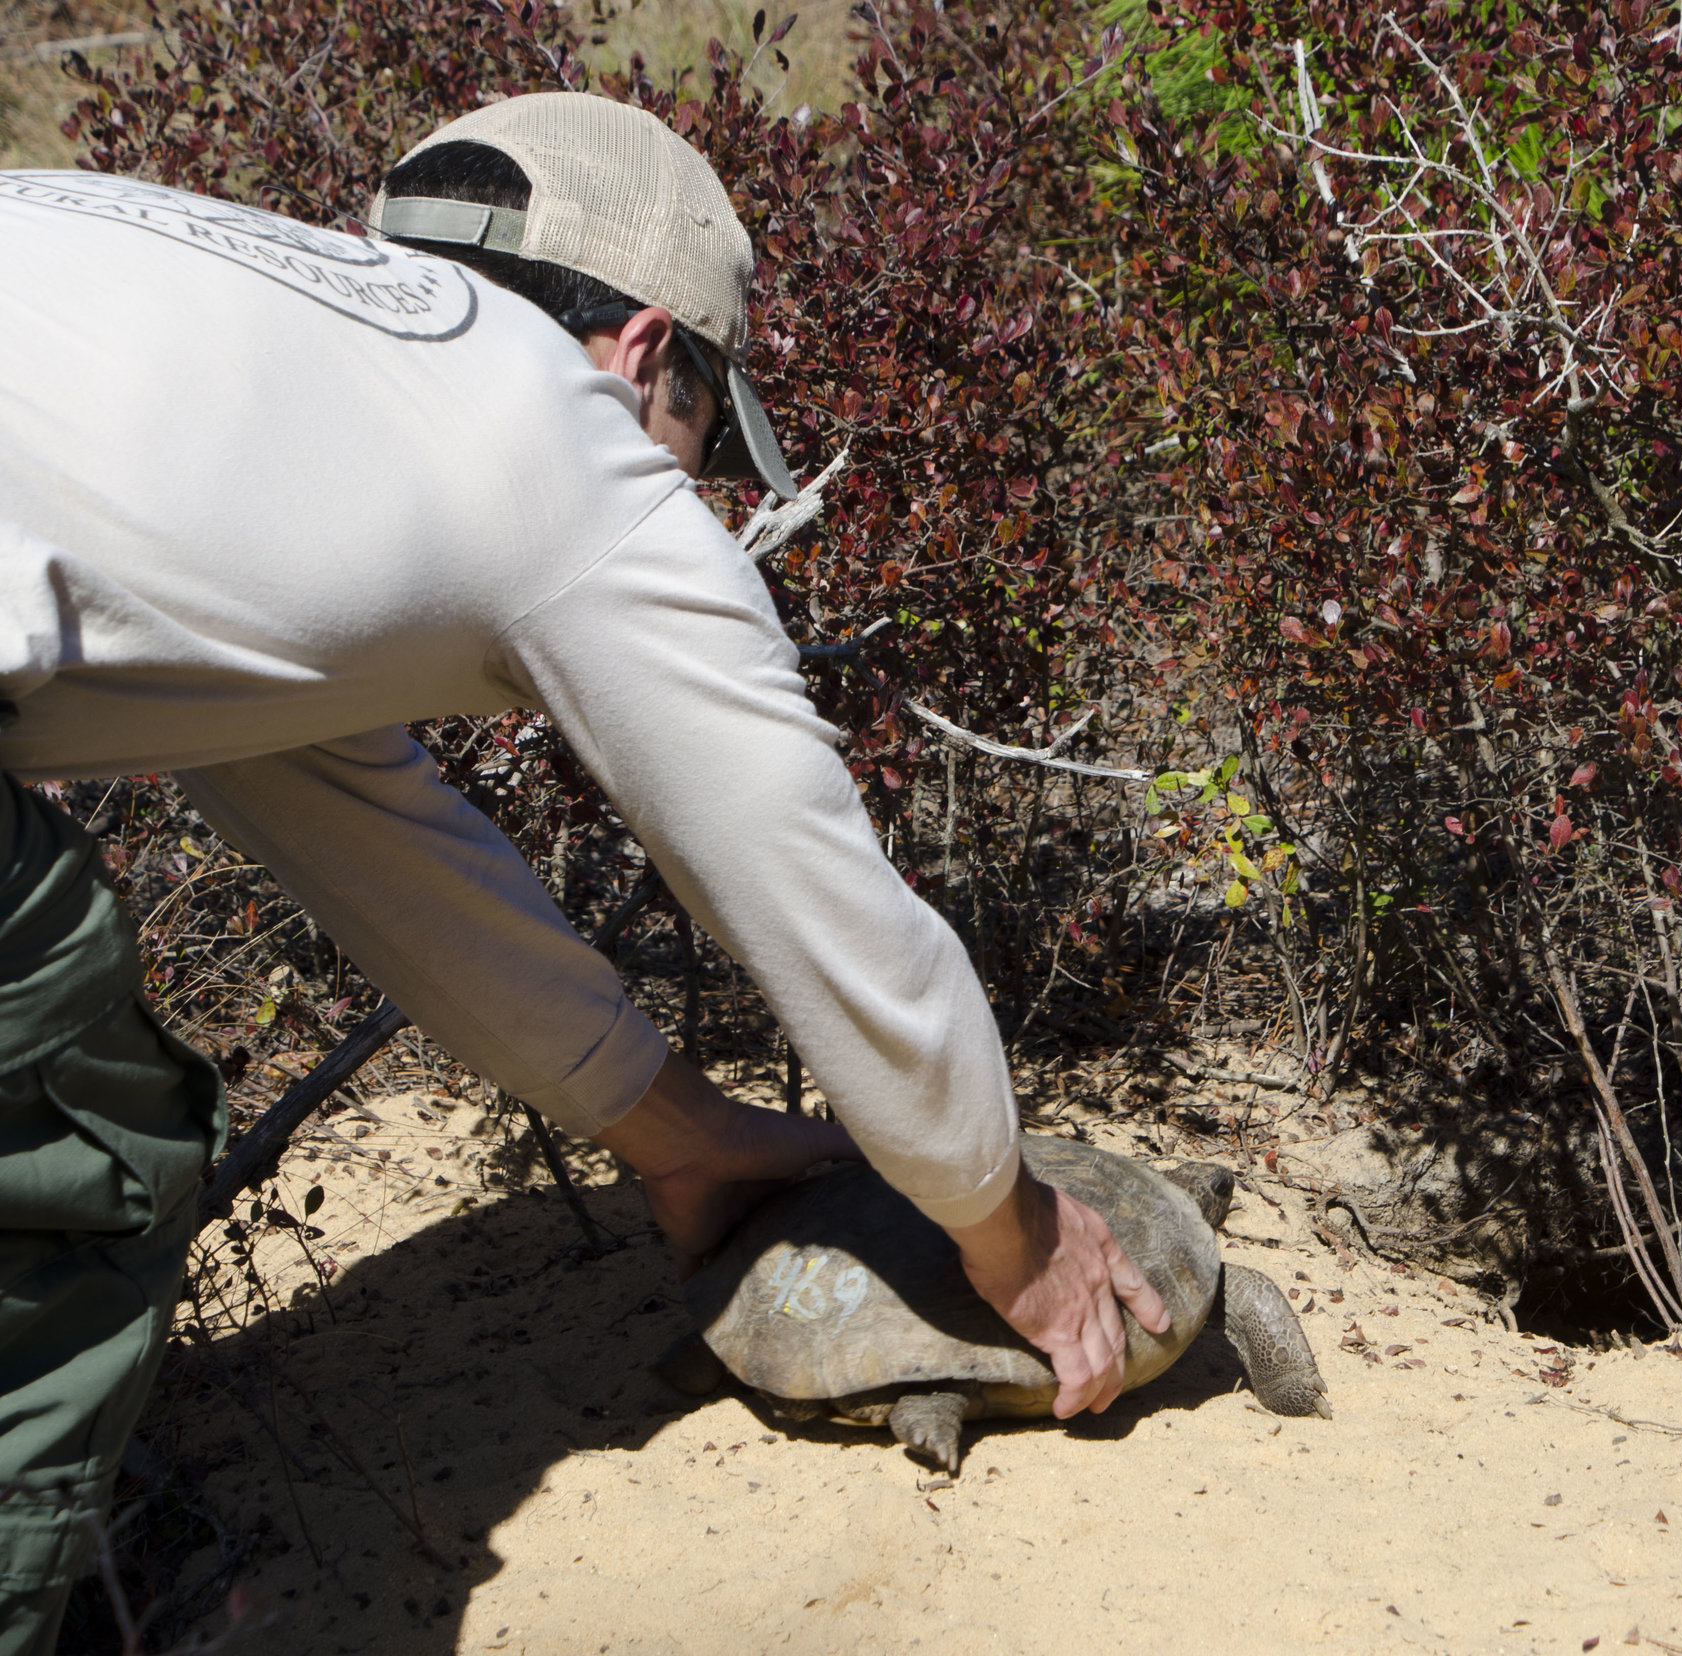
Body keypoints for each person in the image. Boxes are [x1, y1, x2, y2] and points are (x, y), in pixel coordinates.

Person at [0, 91, 1165, 1654]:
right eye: (702, 436)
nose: (689, 492)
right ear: (641, 354)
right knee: (92, 1141)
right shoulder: (561, 441)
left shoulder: (262, 352)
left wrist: (673, 1133)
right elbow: (831, 913)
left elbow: (377, 843)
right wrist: (1010, 1227)